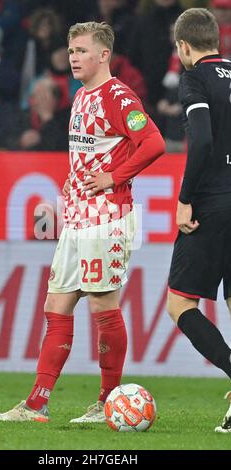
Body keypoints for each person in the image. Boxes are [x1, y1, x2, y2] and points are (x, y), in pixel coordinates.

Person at [0, 21, 165, 424]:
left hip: (107, 216)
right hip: (77, 217)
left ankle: (106, 401)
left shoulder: (118, 97)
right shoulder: (81, 97)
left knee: (104, 305)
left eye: (82, 51)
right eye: (71, 51)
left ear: (104, 55)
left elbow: (153, 142)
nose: (73, 58)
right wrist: (67, 196)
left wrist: (113, 177)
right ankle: (36, 404)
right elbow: (85, 158)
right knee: (57, 303)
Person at [167, 7, 231, 433]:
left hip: (212, 203)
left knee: (180, 304)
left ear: (184, 47)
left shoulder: (194, 78)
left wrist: (186, 198)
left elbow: (203, 139)